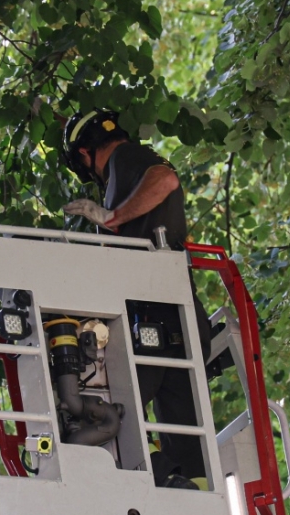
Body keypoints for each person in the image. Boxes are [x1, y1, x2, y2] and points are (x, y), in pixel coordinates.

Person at [61, 109, 211, 491]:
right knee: (186, 430)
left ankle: (154, 475)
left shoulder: (124, 158)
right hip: (179, 315)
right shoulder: (128, 168)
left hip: (153, 316)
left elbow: (166, 180)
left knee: (104, 406)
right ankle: (187, 492)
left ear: (84, 154)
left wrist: (112, 218)